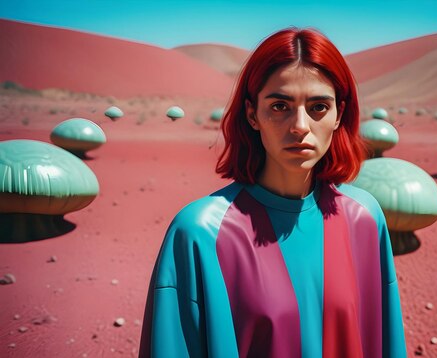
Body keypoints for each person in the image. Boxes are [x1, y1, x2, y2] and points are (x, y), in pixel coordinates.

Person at [139, 27, 407, 357]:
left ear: (340, 114)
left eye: (318, 107)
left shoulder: (363, 217)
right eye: (280, 106)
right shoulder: (199, 232)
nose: (300, 126)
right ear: (252, 115)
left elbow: (382, 338)